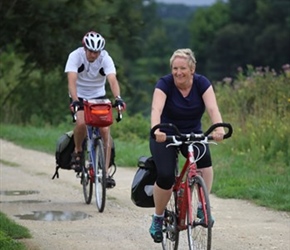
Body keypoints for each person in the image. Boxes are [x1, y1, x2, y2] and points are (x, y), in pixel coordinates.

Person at [149, 48, 225, 243]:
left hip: (192, 133)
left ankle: (202, 207)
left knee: (205, 164)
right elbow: (156, 108)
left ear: (192, 69)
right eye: (175, 68)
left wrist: (218, 129)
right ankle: (158, 217)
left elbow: (212, 108)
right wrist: (156, 130)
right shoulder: (164, 84)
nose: (178, 72)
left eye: (182, 68)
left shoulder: (202, 83)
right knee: (166, 176)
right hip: (165, 133)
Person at [64, 31, 125, 188]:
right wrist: (76, 101)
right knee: (82, 123)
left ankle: (105, 173)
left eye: (96, 52)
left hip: (98, 96)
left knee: (105, 131)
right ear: (85, 48)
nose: (93, 54)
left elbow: (112, 79)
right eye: (91, 51)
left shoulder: (105, 58)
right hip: (79, 95)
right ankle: (78, 150)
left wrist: (118, 98)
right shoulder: (75, 56)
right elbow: (71, 79)